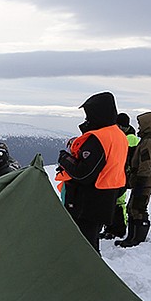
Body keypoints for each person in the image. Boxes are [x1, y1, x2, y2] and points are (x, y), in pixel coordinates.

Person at [55, 91, 128, 253]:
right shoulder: (118, 135)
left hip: (88, 200)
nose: (87, 118)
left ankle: (87, 275)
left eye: (89, 114)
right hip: (106, 197)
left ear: (98, 113)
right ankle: (90, 273)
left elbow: (84, 173)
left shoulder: (98, 138)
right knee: (91, 242)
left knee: (83, 245)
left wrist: (64, 158)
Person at [117, 111, 151, 247]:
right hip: (146, 180)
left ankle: (137, 239)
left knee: (138, 208)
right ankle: (132, 237)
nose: (138, 127)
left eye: (140, 124)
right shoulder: (149, 138)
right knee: (133, 208)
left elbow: (146, 163)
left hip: (145, 181)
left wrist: (140, 181)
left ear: (147, 124)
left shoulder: (149, 141)